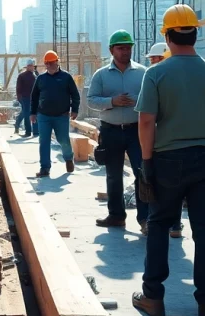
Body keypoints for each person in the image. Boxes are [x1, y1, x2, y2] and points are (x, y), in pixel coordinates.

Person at [132, 4, 205, 316]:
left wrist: (147, 163)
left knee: (159, 226)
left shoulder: (156, 73)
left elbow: (146, 122)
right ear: (195, 33)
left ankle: (153, 297)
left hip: (167, 161)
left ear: (167, 36)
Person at [88, 30, 149, 231]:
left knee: (142, 172)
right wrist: (111, 102)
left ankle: (145, 219)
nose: (125, 51)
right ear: (111, 50)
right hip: (111, 131)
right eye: (121, 48)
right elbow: (91, 101)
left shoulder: (142, 73)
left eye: (128, 48)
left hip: (136, 131)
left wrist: (138, 103)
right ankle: (116, 215)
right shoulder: (101, 75)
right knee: (113, 175)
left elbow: (152, 100)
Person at [145, 41, 183, 238]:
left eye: (155, 59)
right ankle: (174, 225)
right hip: (171, 141)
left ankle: (163, 224)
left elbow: (146, 118)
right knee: (174, 189)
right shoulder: (180, 78)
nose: (152, 63)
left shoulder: (156, 78)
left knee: (162, 188)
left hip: (163, 144)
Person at [30, 50, 79, 177]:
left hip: (61, 116)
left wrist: (74, 109)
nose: (50, 65)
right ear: (45, 64)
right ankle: (45, 168)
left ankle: (68, 158)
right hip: (44, 116)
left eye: (52, 63)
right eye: (47, 63)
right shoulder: (41, 78)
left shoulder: (66, 77)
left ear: (57, 62)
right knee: (44, 141)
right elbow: (34, 96)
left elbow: (75, 94)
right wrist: (33, 113)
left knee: (63, 140)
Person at [15, 59, 38, 138]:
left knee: (34, 114)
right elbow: (18, 88)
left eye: (33, 66)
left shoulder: (35, 76)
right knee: (27, 114)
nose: (32, 67)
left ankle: (35, 132)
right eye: (31, 66)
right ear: (28, 66)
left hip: (33, 98)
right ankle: (28, 132)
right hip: (25, 98)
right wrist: (19, 98)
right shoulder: (22, 76)